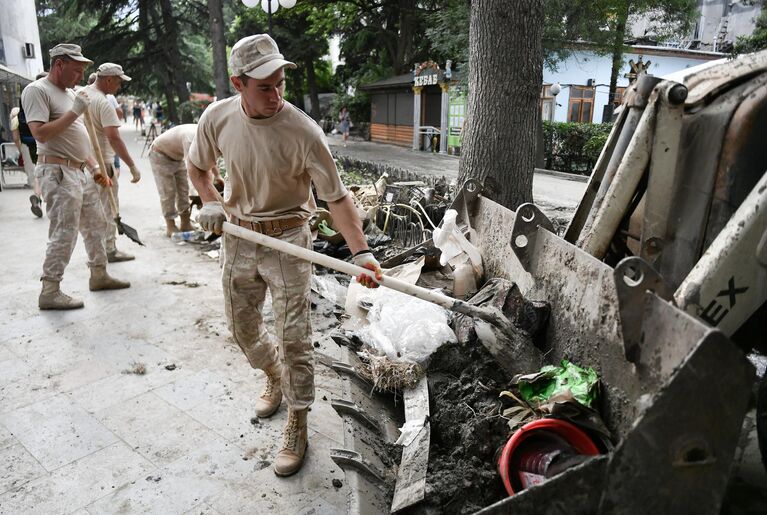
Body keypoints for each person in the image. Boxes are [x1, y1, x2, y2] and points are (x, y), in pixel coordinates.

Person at [188, 34, 382, 477]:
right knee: (242, 329)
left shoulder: (303, 131)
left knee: (294, 336)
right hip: (238, 235)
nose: (276, 95)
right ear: (238, 84)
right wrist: (209, 200)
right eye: (264, 87)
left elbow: (336, 198)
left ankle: (298, 418)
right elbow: (197, 166)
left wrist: (363, 254)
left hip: (289, 240)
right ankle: (273, 374)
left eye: (280, 84)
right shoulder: (216, 119)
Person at [21, 43, 130, 310]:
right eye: (77, 70)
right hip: (57, 172)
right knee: (64, 232)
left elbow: (79, 137)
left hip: (80, 170)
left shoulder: (70, 93)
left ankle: (99, 274)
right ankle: (50, 289)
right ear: (59, 64)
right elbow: (41, 133)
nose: (81, 77)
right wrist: (75, 111)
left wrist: (94, 167)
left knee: (96, 224)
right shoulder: (37, 91)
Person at [86, 62, 143, 263]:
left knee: (92, 209)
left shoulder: (82, 95)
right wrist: (132, 166)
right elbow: (114, 137)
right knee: (109, 207)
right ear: (108, 79)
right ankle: (109, 250)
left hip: (86, 162)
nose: (119, 87)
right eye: (118, 82)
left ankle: (99, 250)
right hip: (103, 164)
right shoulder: (103, 102)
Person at [149, 123, 223, 236]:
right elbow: (194, 171)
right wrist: (205, 197)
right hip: (160, 154)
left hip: (177, 157)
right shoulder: (191, 139)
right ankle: (170, 225)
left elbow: (208, 159)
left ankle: (185, 222)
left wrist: (217, 176)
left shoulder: (207, 138)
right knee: (168, 192)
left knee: (183, 190)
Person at [10, 106, 42, 216]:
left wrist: (20, 150)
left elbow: (15, 138)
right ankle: (38, 197)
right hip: (40, 144)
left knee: (35, 173)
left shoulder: (15, 119)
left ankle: (37, 197)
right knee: (42, 170)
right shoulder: (36, 113)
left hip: (26, 146)